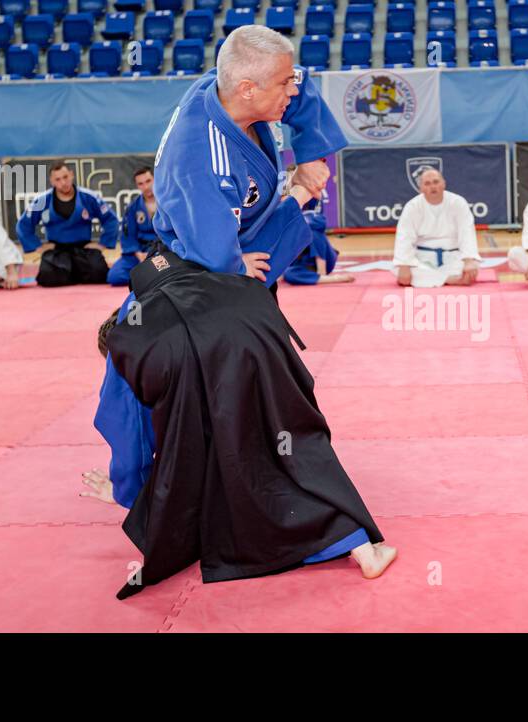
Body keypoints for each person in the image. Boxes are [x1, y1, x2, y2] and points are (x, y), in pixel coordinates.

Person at [90, 25, 393, 597]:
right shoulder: (193, 155)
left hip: (240, 253)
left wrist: (313, 159)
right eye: (282, 84)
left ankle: (160, 488)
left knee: (225, 394)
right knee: (155, 379)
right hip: (200, 274)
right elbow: (214, 257)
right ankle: (147, 485)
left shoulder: (240, 84)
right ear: (249, 89)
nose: (291, 91)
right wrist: (290, 205)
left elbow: (298, 95)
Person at [16, 161, 120, 286]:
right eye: (58, 179)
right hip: (56, 249)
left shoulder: (88, 197)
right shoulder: (42, 200)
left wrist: (102, 244)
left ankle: (73, 272)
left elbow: (111, 220)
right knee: (49, 276)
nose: (63, 183)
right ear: (52, 181)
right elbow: (23, 225)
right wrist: (37, 247)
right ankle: (72, 272)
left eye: (65, 177)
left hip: (83, 248)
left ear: (71, 175)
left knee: (99, 273)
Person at [392, 167, 481, 288]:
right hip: (423, 258)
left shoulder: (458, 203)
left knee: (472, 267)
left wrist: (469, 260)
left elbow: (466, 232)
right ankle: (450, 279)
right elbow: (404, 237)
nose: (432, 186)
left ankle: (431, 280)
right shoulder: (412, 207)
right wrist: (404, 265)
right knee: (399, 271)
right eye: (427, 184)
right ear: (421, 188)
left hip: (453, 257)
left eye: (436, 182)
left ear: (444, 183)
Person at [108, 166, 159, 287]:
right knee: (114, 276)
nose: (146, 187)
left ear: (155, 179)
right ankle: (149, 276)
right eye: (141, 184)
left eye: (148, 181)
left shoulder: (167, 202)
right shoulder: (133, 208)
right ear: (137, 186)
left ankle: (146, 275)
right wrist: (139, 254)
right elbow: (128, 235)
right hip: (140, 251)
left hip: (161, 250)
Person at [283, 208, 354, 284]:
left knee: (314, 233)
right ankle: (319, 277)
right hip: (302, 264)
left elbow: (320, 223)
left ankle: (324, 274)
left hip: (324, 258)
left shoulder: (310, 212)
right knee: (289, 273)